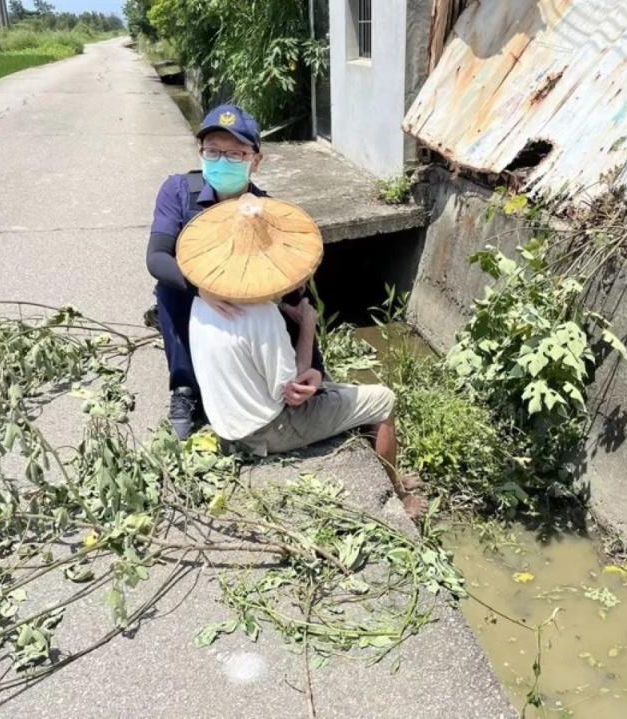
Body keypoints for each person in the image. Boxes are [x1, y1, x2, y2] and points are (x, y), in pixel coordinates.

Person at [179, 194, 428, 519]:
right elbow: (294, 394)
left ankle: (384, 467)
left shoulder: (205, 299)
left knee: (343, 390)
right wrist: (307, 326)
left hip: (227, 421)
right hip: (265, 430)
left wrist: (285, 312)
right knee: (383, 400)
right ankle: (397, 495)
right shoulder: (263, 318)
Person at [146, 103, 324, 439]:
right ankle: (184, 388)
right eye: (213, 151)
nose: (222, 161)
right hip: (196, 294)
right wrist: (203, 289)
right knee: (169, 288)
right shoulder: (179, 192)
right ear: (200, 153)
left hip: (245, 296)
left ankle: (271, 382)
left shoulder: (266, 211)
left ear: (256, 160)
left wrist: (313, 367)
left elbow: (293, 292)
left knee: (283, 289)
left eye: (236, 154)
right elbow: (156, 257)